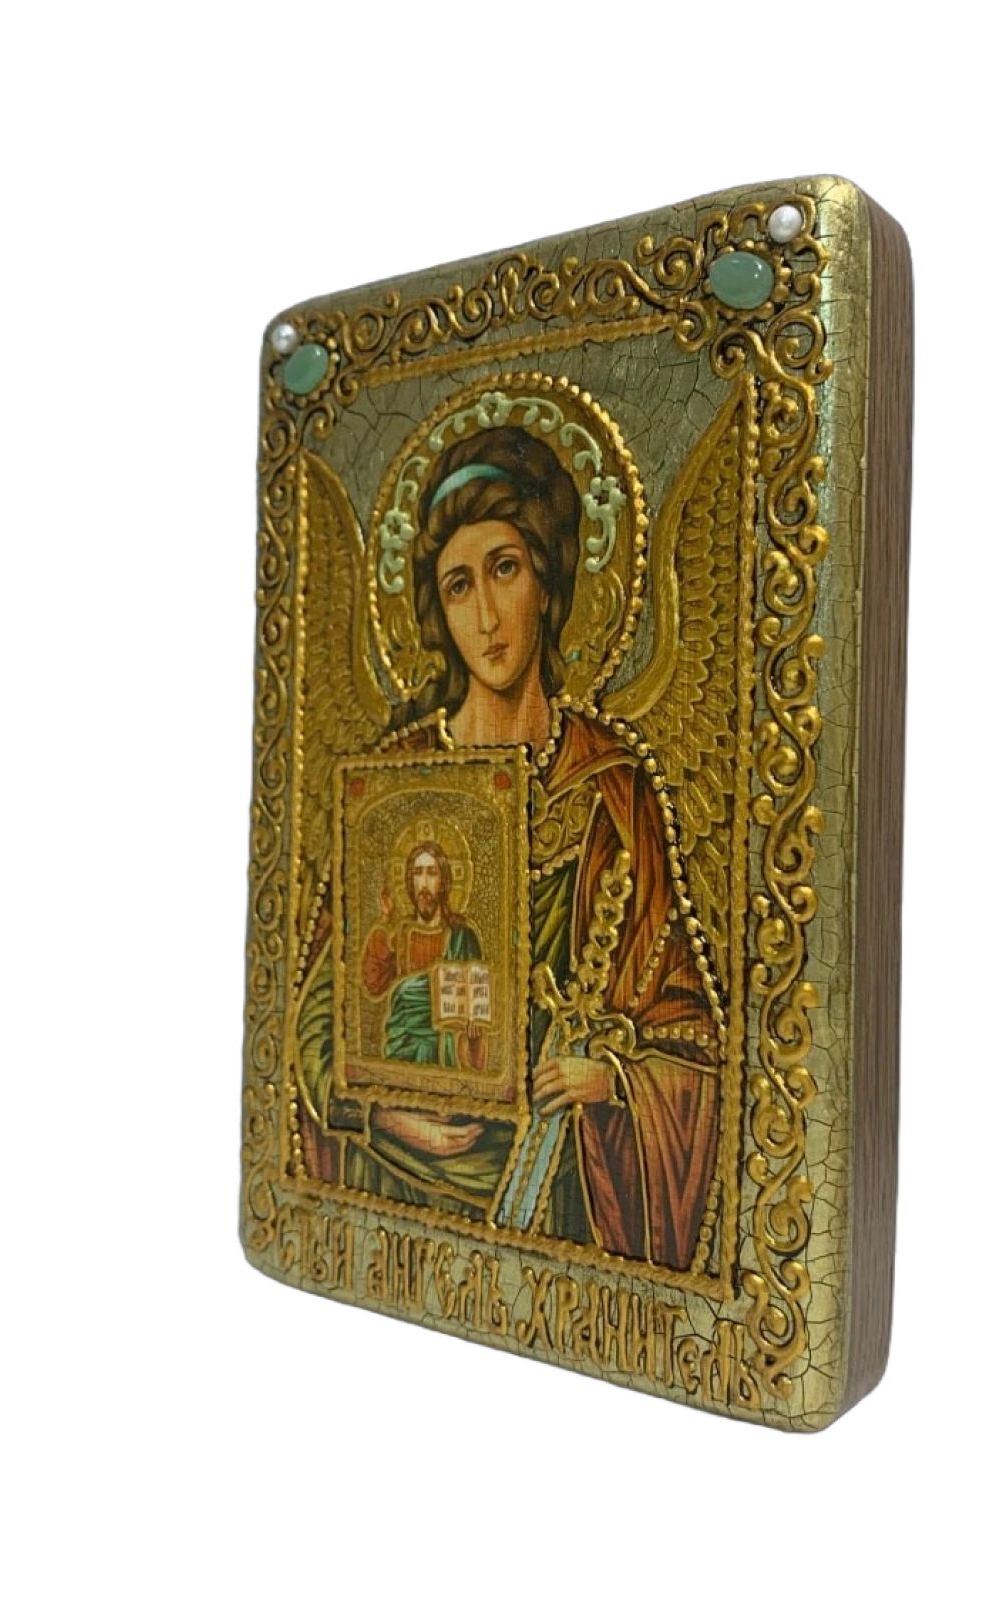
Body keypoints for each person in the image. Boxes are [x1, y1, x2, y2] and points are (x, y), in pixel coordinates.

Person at [296, 424, 721, 1271]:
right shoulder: (398, 781)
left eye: (504, 569)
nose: (487, 618)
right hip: (403, 1186)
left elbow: (695, 1034)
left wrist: (616, 1079)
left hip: (557, 1184)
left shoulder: (613, 793)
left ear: (548, 578)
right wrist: (380, 1114)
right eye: (459, 586)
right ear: (436, 612)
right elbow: (316, 1016)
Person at [362, 839, 484, 1070]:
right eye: (418, 873)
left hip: (448, 1054)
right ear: (410, 882)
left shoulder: (462, 937)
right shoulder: (401, 934)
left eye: (432, 873)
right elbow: (373, 982)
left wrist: (474, 1034)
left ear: (443, 881)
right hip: (403, 1050)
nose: (424, 884)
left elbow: (478, 1000)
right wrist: (385, 920)